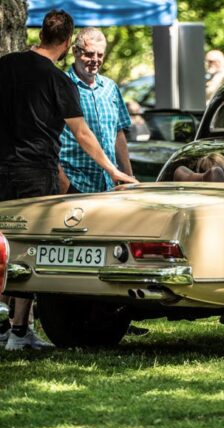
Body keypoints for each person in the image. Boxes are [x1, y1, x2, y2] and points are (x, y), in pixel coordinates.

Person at [0, 10, 137, 351]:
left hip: (2, 169)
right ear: (67, 43)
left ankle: (9, 326)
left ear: (42, 33)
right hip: (36, 174)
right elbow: (83, 134)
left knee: (3, 245)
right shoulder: (57, 80)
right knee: (30, 249)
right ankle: (18, 331)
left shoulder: (4, 66)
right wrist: (115, 170)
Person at [59, 27, 134, 194]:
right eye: (89, 54)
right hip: (75, 184)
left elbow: (118, 133)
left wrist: (128, 175)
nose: (95, 60)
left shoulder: (110, 87)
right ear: (75, 51)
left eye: (100, 55)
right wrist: (64, 185)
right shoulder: (61, 85)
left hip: (110, 185)